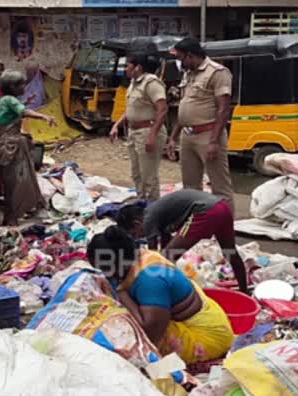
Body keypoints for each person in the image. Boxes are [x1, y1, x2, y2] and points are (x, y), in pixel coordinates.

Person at [86, 226, 235, 364]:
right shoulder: (138, 257)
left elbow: (150, 335)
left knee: (124, 335)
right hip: (200, 317)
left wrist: (121, 293)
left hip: (207, 337)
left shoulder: (149, 280)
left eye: (103, 269)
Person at [115, 190, 248, 294]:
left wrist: (134, 278)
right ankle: (244, 290)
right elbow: (167, 241)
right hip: (221, 207)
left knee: (164, 258)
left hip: (205, 212)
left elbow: (153, 256)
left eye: (134, 233)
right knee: (230, 252)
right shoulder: (156, 214)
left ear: (137, 223)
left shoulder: (148, 219)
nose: (138, 237)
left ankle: (163, 292)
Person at [167, 38, 235, 211]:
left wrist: (213, 141)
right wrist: (173, 138)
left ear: (190, 56)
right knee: (190, 188)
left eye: (181, 58)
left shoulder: (217, 73)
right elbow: (184, 108)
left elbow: (223, 109)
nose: (180, 63)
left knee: (220, 187)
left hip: (208, 135)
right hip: (187, 136)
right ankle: (195, 226)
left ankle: (225, 230)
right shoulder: (189, 74)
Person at [0, 71, 56, 225]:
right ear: (12, 87)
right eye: (21, 84)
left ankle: (14, 214)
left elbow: (15, 111)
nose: (24, 86)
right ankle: (14, 216)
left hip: (5, 146)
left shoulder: (5, 100)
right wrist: (44, 117)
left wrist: (26, 102)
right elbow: (23, 112)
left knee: (15, 181)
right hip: (12, 146)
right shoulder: (10, 100)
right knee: (18, 181)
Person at [109, 52, 168, 201]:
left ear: (138, 67)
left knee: (148, 175)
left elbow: (162, 110)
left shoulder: (151, 83)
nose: (125, 69)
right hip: (134, 132)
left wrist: (152, 135)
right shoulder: (133, 83)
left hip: (147, 131)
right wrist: (116, 125)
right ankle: (142, 203)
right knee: (137, 174)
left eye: (127, 65)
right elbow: (130, 109)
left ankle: (153, 208)